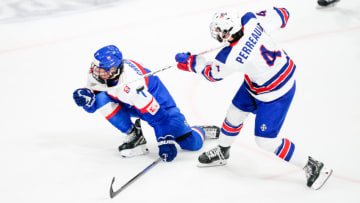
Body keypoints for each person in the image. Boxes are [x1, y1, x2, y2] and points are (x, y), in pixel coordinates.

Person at [174, 8, 332, 189]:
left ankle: (313, 165)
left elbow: (212, 74)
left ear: (227, 33)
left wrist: (191, 62)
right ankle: (223, 152)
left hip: (276, 93)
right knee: (234, 114)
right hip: (259, 82)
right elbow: (283, 14)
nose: (216, 33)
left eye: (219, 31)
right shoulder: (250, 20)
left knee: (265, 140)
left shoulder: (229, 57)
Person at [73, 45, 220, 162]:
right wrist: (86, 99)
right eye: (96, 68)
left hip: (161, 108)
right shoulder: (98, 71)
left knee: (190, 143)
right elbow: (94, 104)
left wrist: (165, 142)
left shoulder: (133, 84)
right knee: (101, 98)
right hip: (129, 102)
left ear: (115, 70)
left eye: (103, 70)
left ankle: (199, 131)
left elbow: (159, 117)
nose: (98, 73)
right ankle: (135, 136)